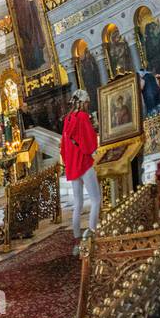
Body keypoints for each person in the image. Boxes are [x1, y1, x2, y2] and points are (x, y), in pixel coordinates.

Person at [60, 89, 101, 253]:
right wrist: (92, 151)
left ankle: (77, 241)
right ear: (83, 102)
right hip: (84, 164)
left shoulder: (67, 119)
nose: (87, 106)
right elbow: (90, 140)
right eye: (87, 103)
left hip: (72, 165)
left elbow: (63, 146)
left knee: (78, 203)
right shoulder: (82, 117)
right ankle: (91, 233)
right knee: (96, 199)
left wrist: (69, 162)